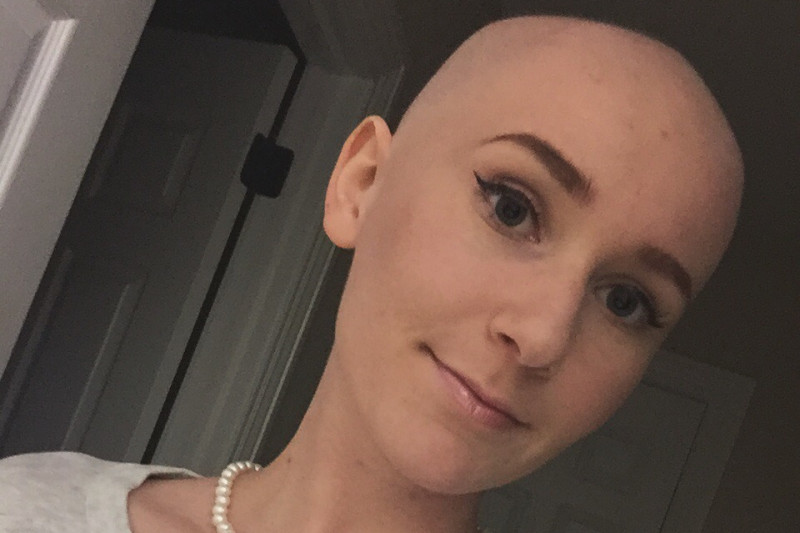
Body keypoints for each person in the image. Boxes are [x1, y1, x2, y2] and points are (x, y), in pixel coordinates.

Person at [0, 15, 742, 533]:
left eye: (626, 301)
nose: (544, 335)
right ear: (361, 183)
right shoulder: (25, 505)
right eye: (512, 208)